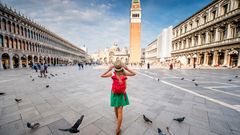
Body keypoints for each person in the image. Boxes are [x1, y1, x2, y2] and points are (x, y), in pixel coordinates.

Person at [101, 60, 136, 135]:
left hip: (114, 93)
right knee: (120, 111)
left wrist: (109, 69)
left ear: (115, 67)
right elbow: (134, 73)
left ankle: (117, 119)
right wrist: (126, 68)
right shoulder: (124, 73)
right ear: (121, 67)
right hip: (122, 93)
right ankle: (118, 129)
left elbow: (102, 75)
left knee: (115, 106)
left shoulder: (112, 73)